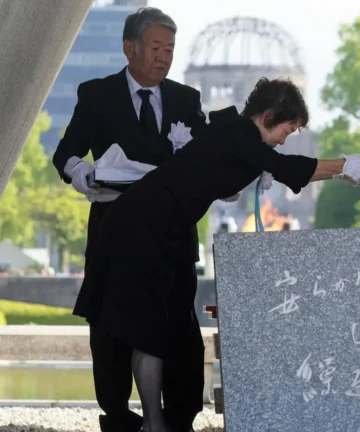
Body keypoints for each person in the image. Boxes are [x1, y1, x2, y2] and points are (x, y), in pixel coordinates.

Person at [74, 76, 360, 432]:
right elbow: (288, 167)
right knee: (146, 330)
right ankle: (154, 425)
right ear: (268, 116)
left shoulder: (233, 133)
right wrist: (341, 165)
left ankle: (155, 423)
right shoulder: (239, 133)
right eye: (287, 129)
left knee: (149, 329)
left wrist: (264, 167)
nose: (285, 139)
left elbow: (249, 166)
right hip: (142, 229)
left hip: (146, 226)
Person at [51, 7, 210, 432]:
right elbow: (65, 151)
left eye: (170, 49)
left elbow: (207, 157)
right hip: (114, 235)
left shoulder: (187, 99)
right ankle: (120, 419)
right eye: (156, 48)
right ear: (129, 48)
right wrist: (79, 171)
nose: (164, 57)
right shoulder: (97, 94)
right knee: (111, 330)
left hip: (173, 238)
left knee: (179, 327)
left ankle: (179, 420)